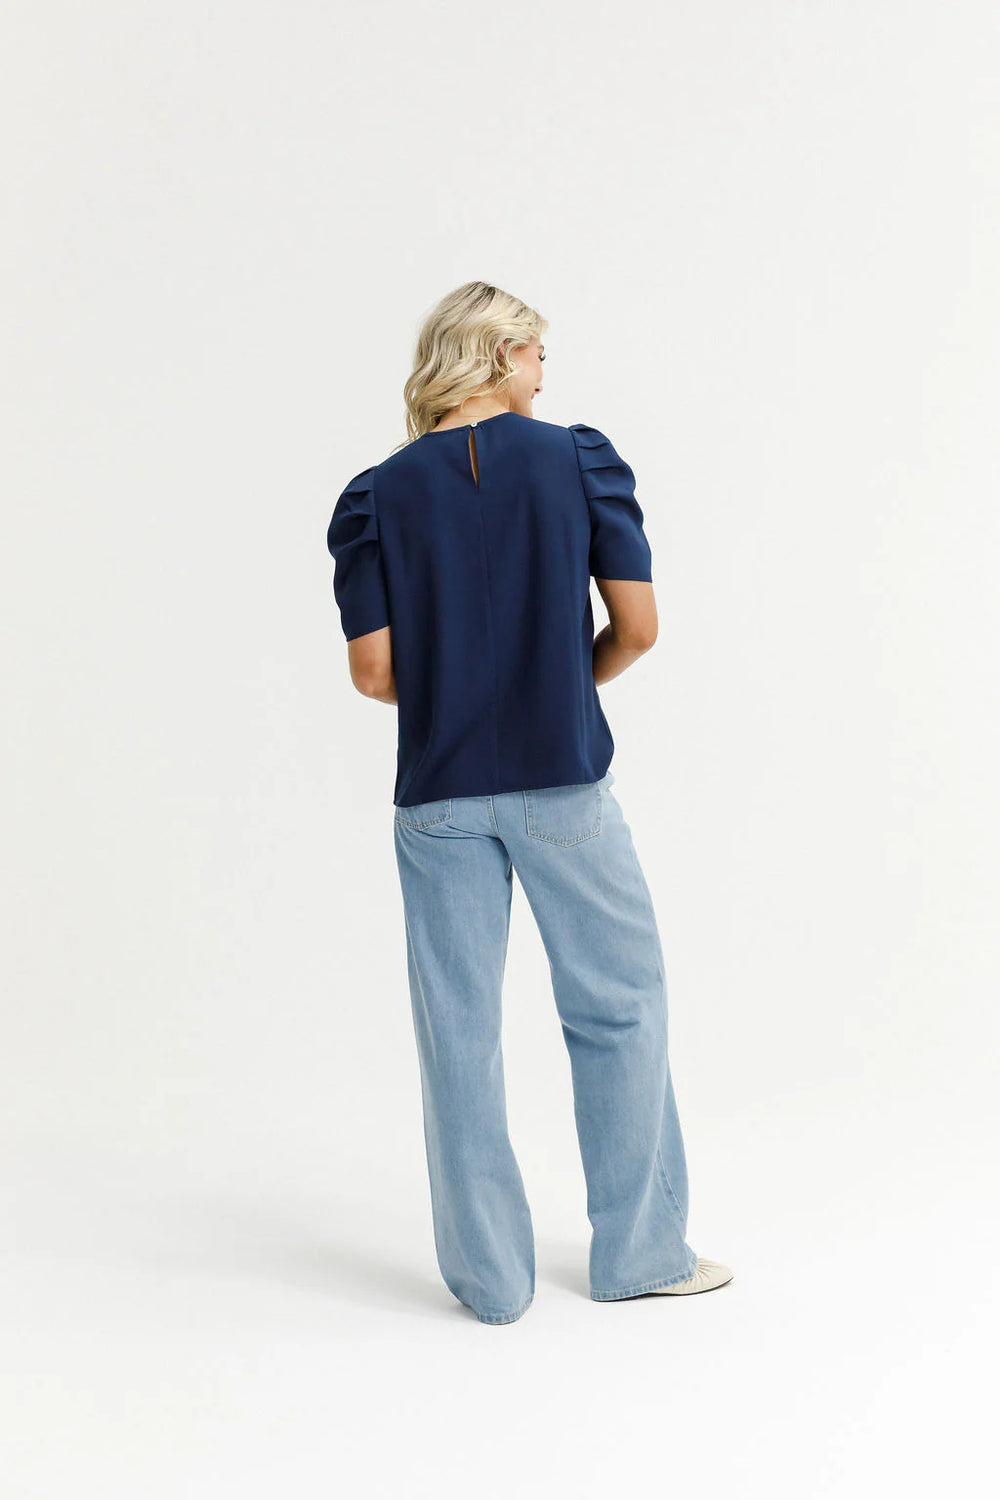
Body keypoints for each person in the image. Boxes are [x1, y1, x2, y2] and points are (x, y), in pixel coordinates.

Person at [326, 280, 732, 1324]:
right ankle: (640, 1255)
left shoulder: (373, 496)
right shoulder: (578, 460)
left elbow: (374, 674)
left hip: (438, 799)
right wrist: (555, 688)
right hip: (564, 784)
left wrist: (462, 694)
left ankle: (491, 1284)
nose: (545, 375)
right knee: (619, 1007)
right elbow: (638, 629)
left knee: (457, 1033)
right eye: (538, 354)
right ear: (501, 353)